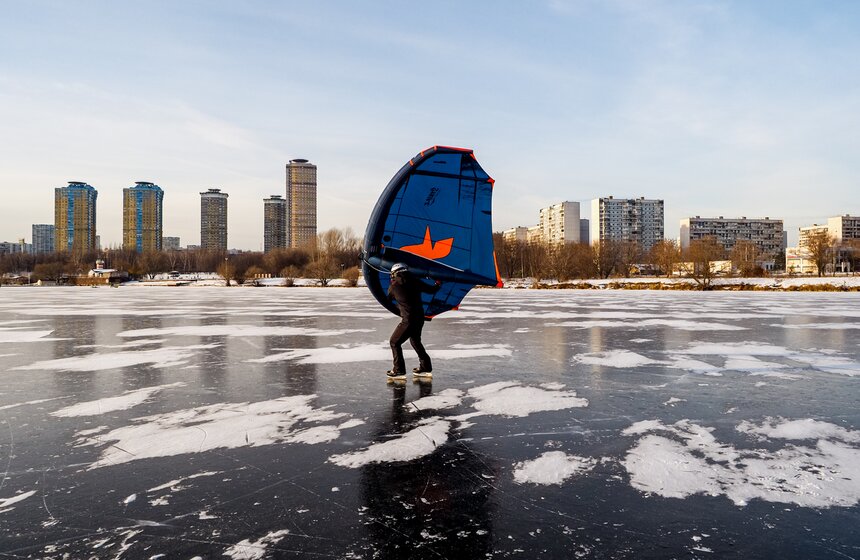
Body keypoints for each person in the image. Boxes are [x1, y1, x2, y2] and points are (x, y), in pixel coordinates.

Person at [386, 263, 441, 380]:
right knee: (415, 341)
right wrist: (438, 283)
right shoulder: (415, 281)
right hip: (420, 318)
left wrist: (399, 309)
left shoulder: (393, 286)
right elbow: (431, 290)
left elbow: (387, 300)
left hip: (408, 320)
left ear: (395, 274)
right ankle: (425, 367)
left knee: (394, 342)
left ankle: (399, 370)